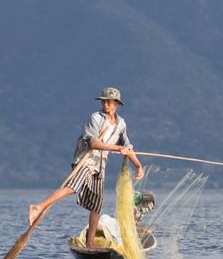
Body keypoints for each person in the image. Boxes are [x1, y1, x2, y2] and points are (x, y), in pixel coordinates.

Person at [28, 87, 144, 249]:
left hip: (100, 165)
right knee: (72, 187)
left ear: (116, 104)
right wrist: (117, 149)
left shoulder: (121, 124)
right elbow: (93, 143)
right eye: (103, 101)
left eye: (109, 102)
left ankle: (90, 244)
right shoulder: (95, 118)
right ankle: (38, 206)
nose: (105, 104)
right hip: (86, 160)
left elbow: (127, 146)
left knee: (96, 204)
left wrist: (138, 166)